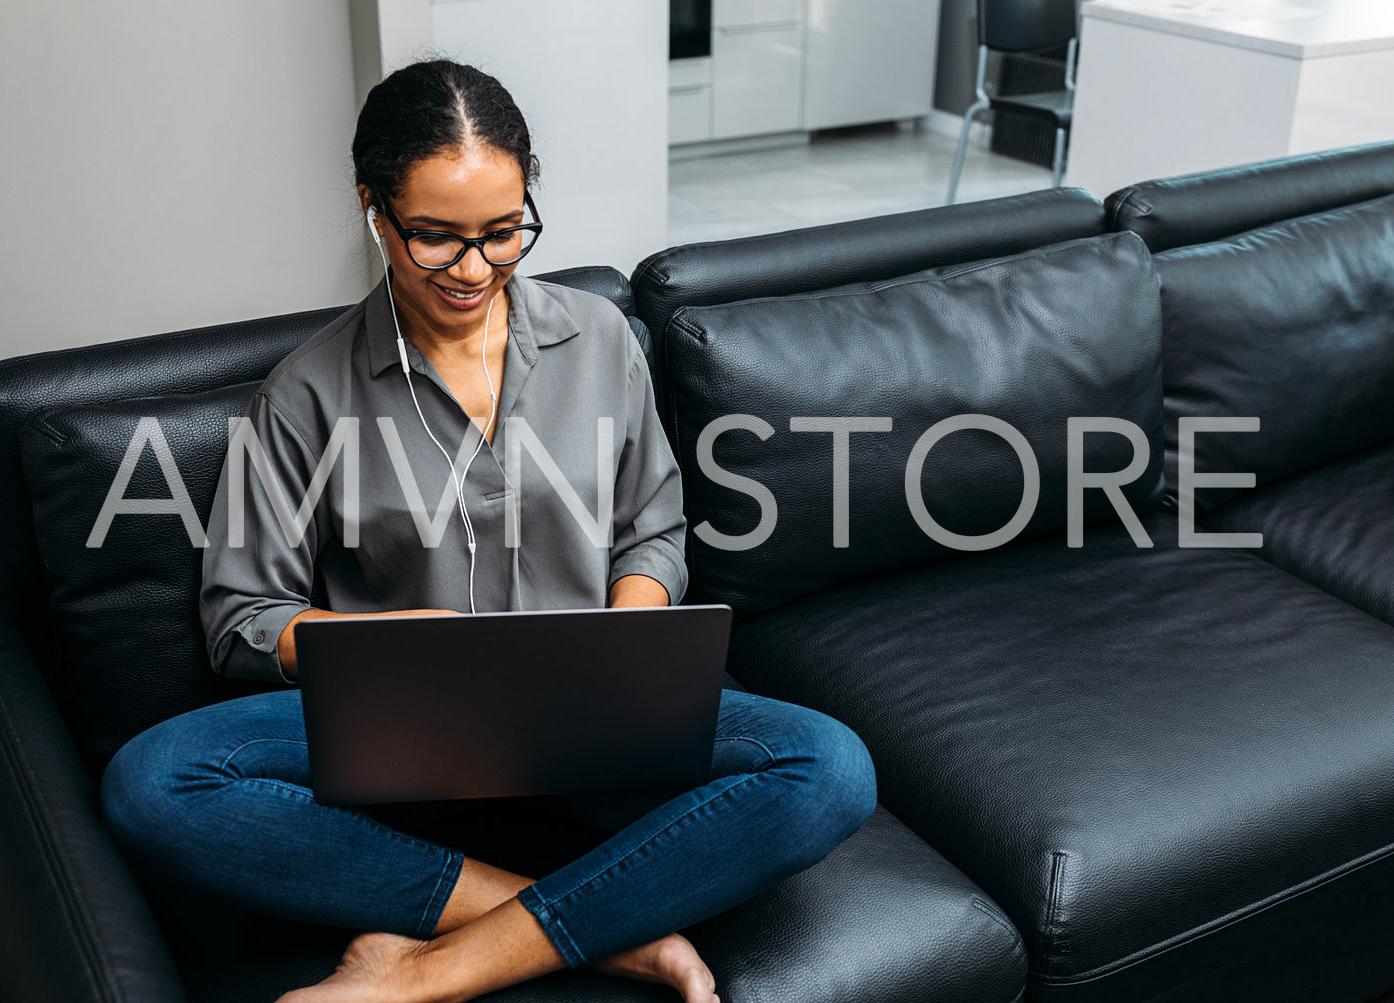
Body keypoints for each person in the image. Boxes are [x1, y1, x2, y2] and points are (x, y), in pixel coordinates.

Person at [99, 57, 876, 1003]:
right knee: (155, 780)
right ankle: (600, 925)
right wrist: (373, 648)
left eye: (503, 233)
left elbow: (653, 527)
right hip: (407, 745)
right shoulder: (306, 391)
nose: (474, 270)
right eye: (435, 238)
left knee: (828, 767)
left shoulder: (598, 339)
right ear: (373, 209)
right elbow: (240, 614)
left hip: (594, 722)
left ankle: (427, 967)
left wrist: (630, 622)